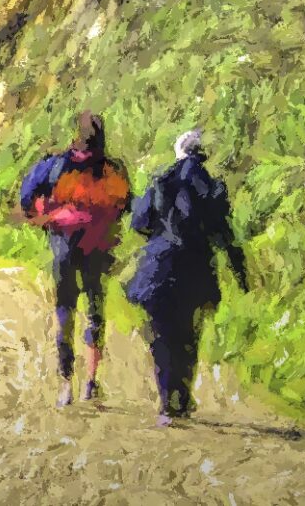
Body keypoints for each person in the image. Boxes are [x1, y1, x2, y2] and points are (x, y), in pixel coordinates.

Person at [127, 128, 250, 427]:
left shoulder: (161, 181)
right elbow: (224, 234)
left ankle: (167, 401)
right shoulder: (212, 187)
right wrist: (240, 273)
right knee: (189, 335)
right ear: (202, 154)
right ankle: (181, 398)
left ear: (178, 151)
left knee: (161, 335)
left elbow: (138, 222)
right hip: (196, 271)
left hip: (159, 269)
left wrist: (160, 236)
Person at [18, 110, 133, 408]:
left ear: (76, 135)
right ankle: (91, 382)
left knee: (64, 313)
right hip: (99, 248)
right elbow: (125, 204)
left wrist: (45, 219)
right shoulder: (113, 170)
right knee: (95, 312)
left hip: (64, 246)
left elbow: (27, 198)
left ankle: (66, 384)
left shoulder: (55, 166)